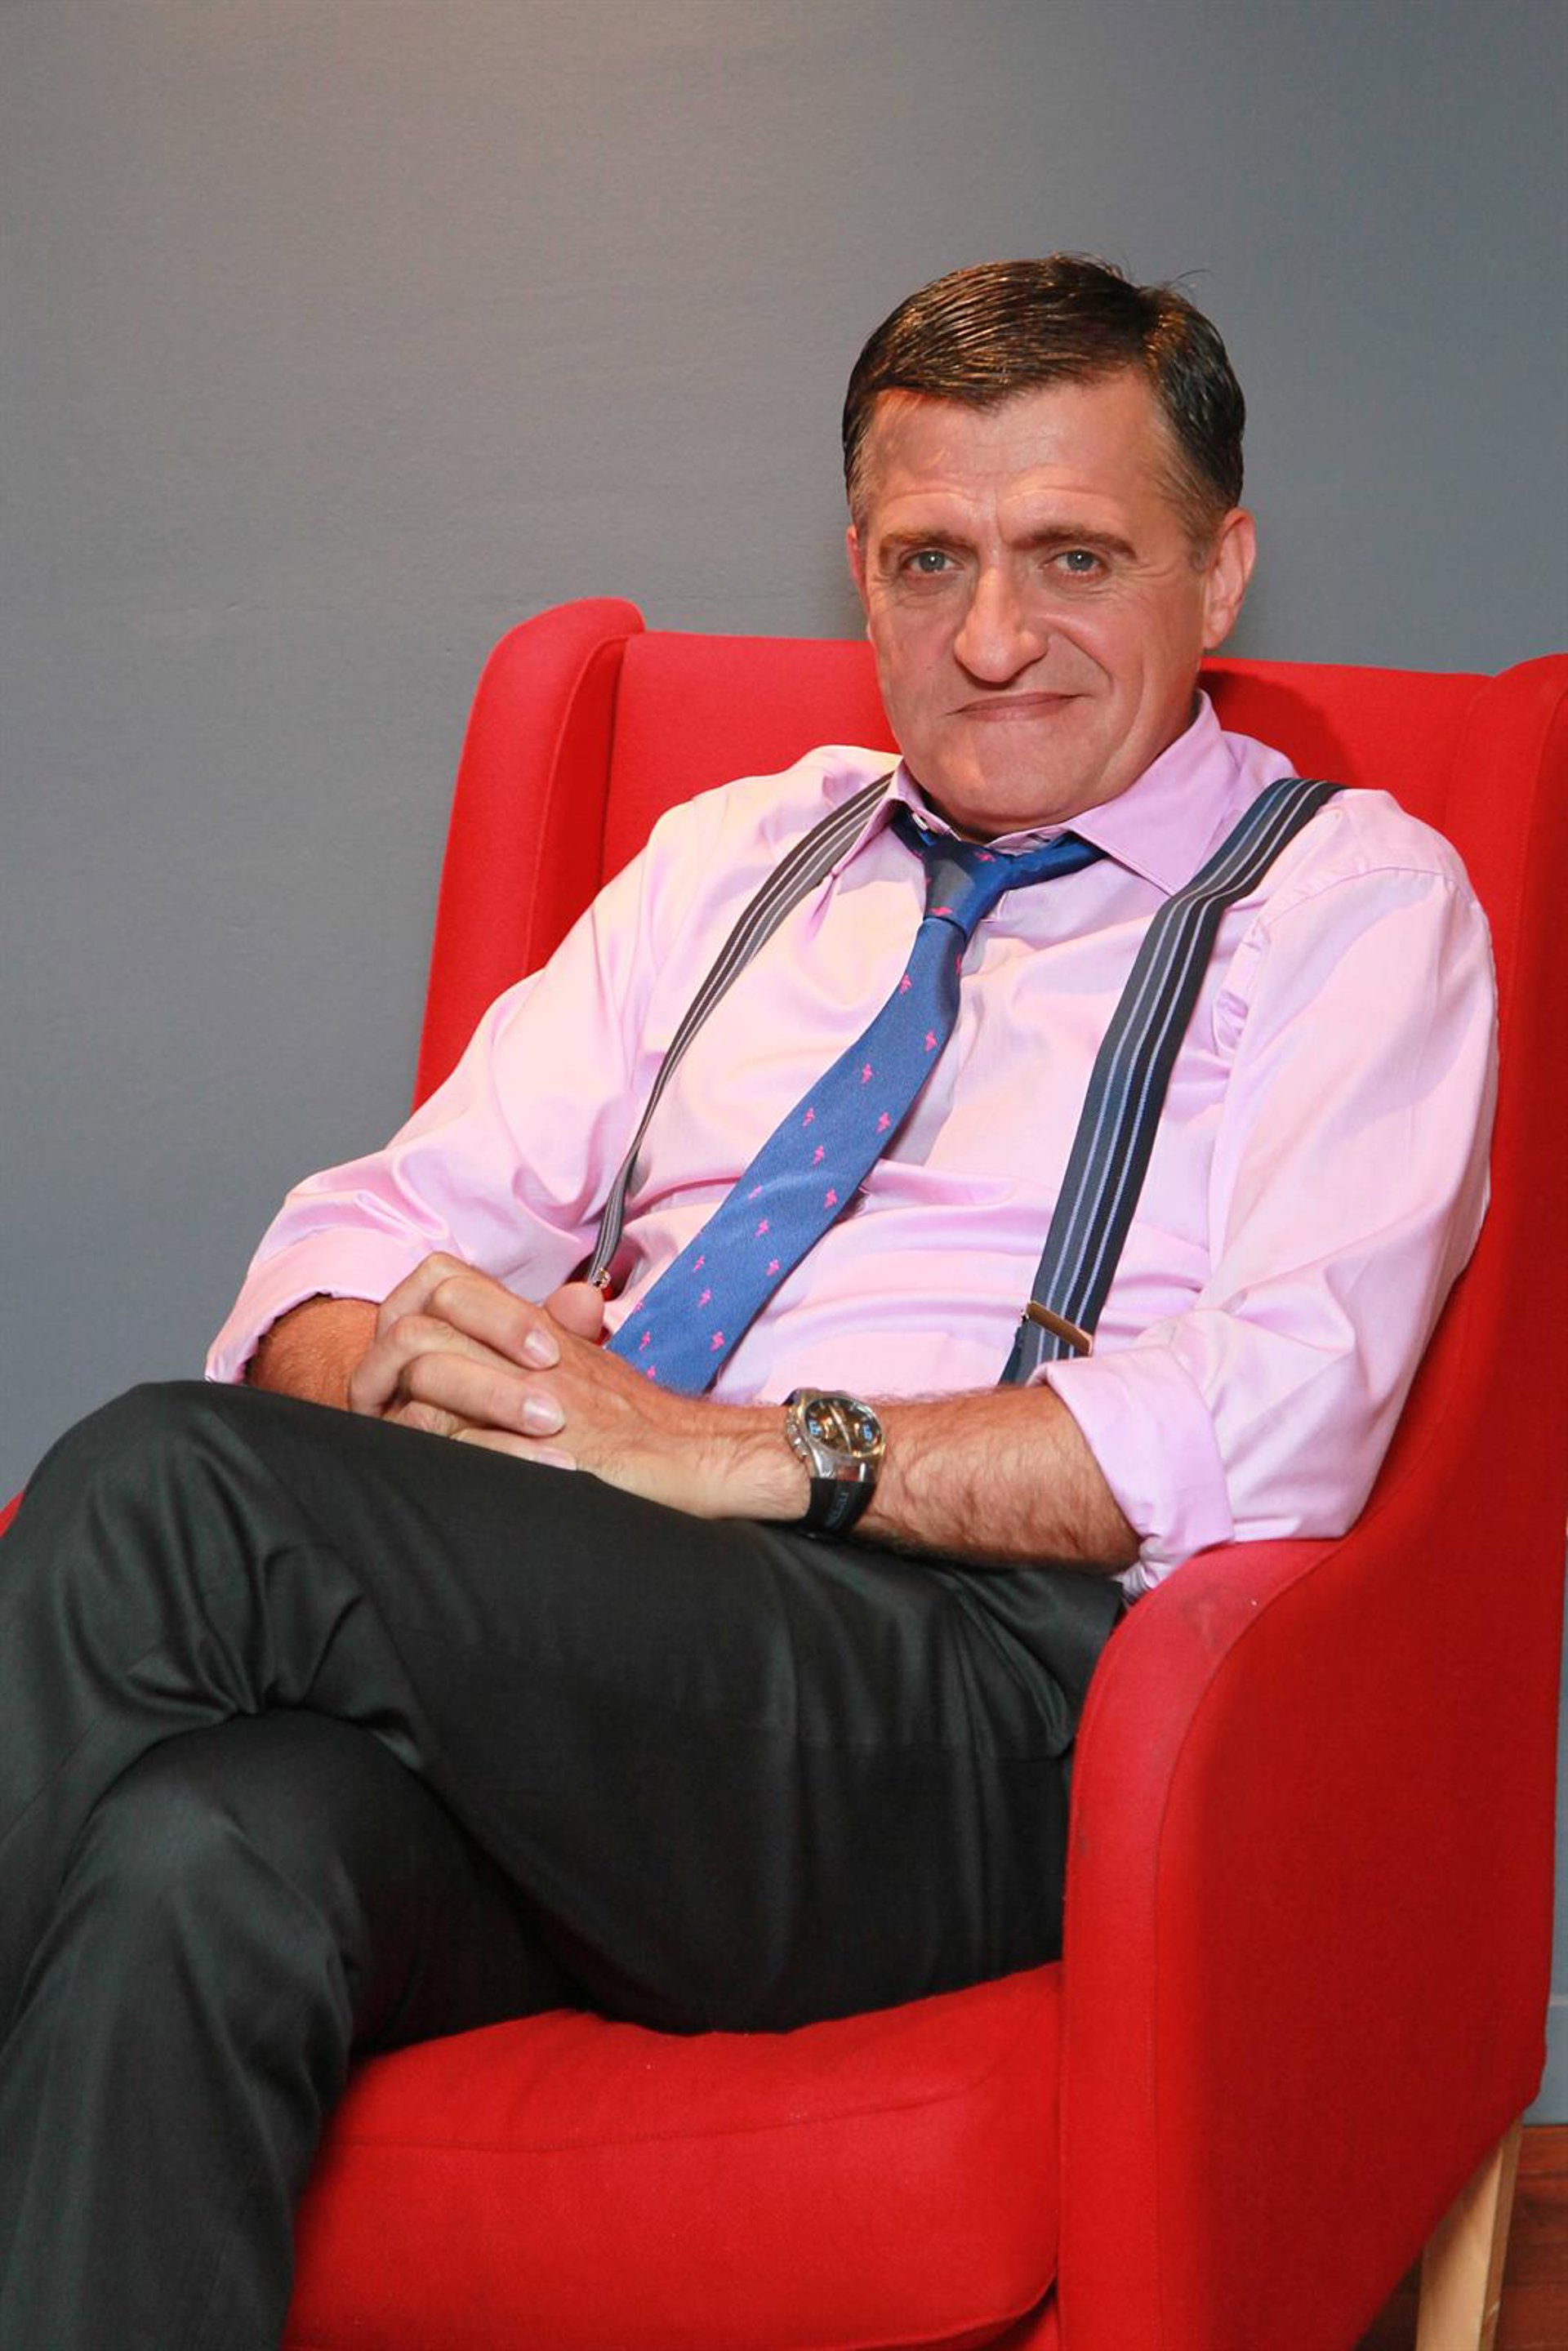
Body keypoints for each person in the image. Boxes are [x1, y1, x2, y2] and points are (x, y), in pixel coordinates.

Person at [0, 257, 1494, 2348]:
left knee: (171, 1486)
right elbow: (351, 1237)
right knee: (198, 1858)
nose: (993, 637)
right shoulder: (736, 860)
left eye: (1074, 557)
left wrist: (753, 1455)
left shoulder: (1354, 906)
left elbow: (1283, 1413)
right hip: (593, 1661)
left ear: (1218, 570)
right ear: (860, 571)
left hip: (980, 1712)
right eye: (929, 560)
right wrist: (402, 1369)